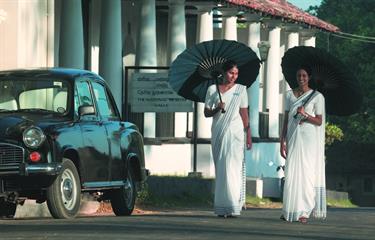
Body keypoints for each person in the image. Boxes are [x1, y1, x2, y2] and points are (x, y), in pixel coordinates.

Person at [204, 60, 252, 218]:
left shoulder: (241, 90)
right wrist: (218, 107)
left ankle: (232, 205)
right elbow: (206, 112)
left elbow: (244, 114)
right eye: (231, 73)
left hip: (236, 132)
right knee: (222, 168)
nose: (234, 76)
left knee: (233, 167)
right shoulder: (212, 89)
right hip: (218, 132)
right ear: (224, 73)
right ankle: (221, 206)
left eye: (236, 73)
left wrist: (249, 136)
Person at [279, 67, 326, 223]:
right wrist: (282, 140)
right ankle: (290, 208)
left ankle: (304, 211)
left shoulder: (317, 97)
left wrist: (305, 115)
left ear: (309, 77)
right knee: (292, 171)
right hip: (293, 136)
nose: (301, 78)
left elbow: (319, 121)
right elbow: (286, 119)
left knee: (306, 173)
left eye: (304, 75)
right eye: (299, 75)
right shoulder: (288, 95)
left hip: (308, 138)